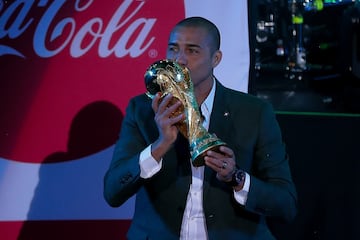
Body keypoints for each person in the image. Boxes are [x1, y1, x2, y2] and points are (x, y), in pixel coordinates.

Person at [103, 16, 297, 240]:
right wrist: (159, 146)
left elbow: (286, 204)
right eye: (173, 49)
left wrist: (237, 178)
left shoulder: (254, 112)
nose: (179, 59)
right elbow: (113, 193)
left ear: (216, 58)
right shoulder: (142, 110)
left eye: (192, 51)